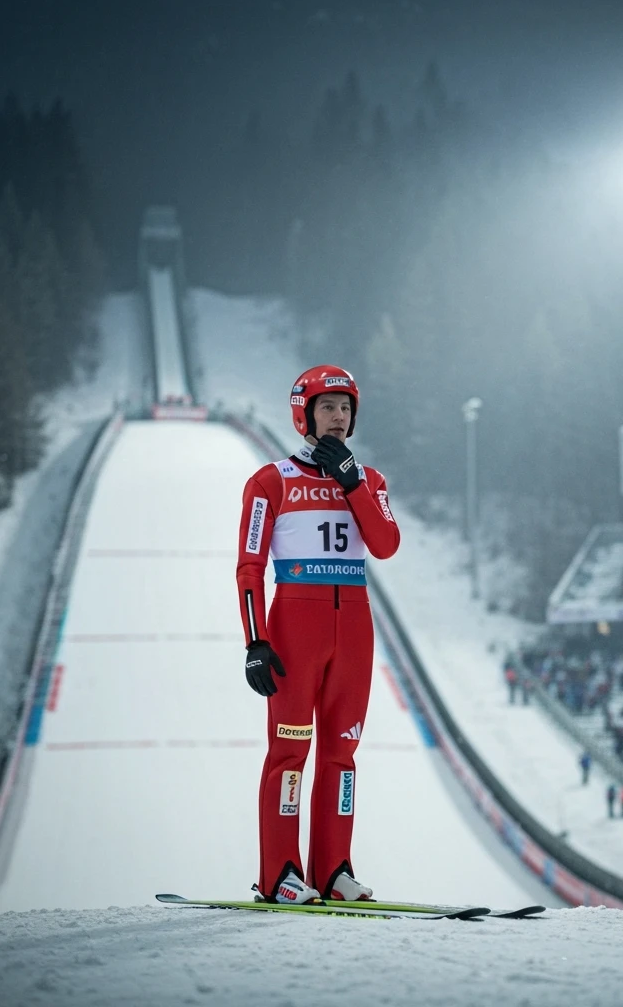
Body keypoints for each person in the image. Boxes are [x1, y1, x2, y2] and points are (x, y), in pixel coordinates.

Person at [236, 365, 400, 905]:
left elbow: (386, 544)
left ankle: (333, 870)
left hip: (353, 626)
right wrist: (256, 641)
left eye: (346, 408)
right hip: (295, 629)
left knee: (341, 754)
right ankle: (281, 872)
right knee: (289, 752)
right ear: (303, 413)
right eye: (327, 407)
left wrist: (352, 481)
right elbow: (249, 567)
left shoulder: (369, 481)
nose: (337, 417)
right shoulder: (271, 481)